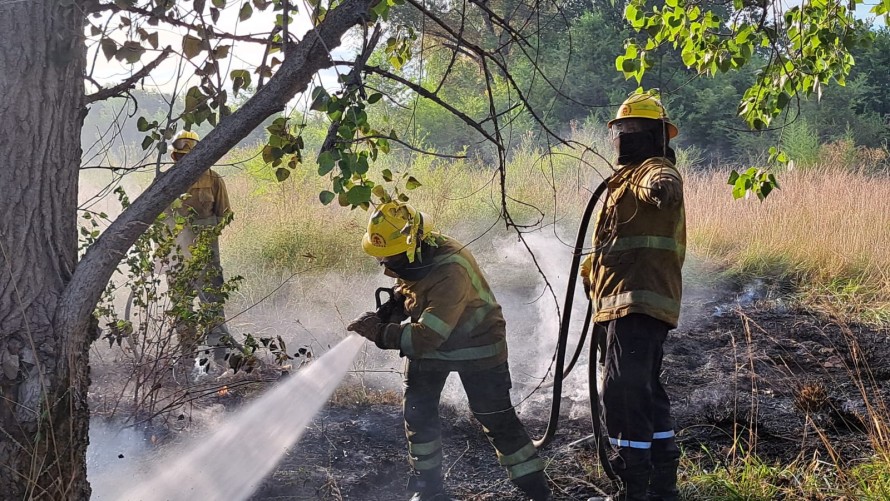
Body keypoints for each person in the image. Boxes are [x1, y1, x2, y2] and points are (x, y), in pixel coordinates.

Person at [347, 202, 551, 501]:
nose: (384, 263)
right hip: (432, 343)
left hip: (477, 346)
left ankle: (536, 489)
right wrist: (394, 306)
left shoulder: (450, 269)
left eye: (389, 257)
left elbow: (427, 336)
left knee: (496, 420)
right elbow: (414, 286)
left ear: (412, 247)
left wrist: (380, 332)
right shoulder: (416, 253)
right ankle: (428, 489)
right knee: (418, 414)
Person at [580, 92, 685, 501]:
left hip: (638, 303)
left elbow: (662, 183)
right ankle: (662, 486)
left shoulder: (653, 170)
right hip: (618, 305)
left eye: (634, 130)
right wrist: (591, 273)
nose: (625, 136)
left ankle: (633, 488)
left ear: (657, 137)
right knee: (643, 390)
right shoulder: (620, 181)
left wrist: (662, 185)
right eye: (621, 130)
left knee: (622, 391)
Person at [166, 130, 238, 374]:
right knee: (182, 307)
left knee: (212, 304)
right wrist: (160, 257)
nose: (184, 161)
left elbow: (225, 214)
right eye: (180, 155)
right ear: (175, 156)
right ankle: (187, 359)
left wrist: (203, 233)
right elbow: (158, 223)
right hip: (176, 258)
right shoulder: (166, 182)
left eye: (189, 155)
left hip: (206, 257)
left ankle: (219, 359)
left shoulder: (214, 180)